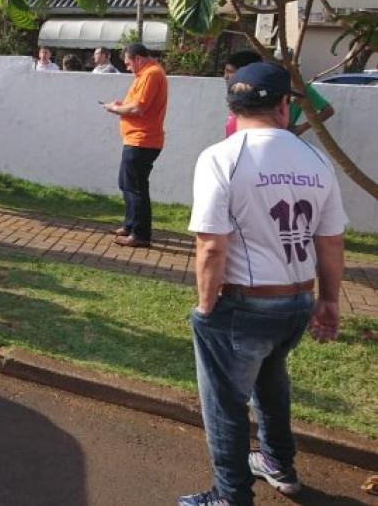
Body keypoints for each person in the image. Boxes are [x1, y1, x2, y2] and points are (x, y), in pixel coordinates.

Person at [179, 61, 346, 506]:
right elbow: (330, 243)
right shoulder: (315, 160)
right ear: (284, 106)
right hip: (295, 302)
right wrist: (328, 300)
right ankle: (277, 463)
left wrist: (205, 306)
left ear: (233, 105)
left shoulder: (221, 157)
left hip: (243, 304)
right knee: (271, 383)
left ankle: (230, 495)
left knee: (225, 403)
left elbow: (212, 246)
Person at [102, 42, 168, 248]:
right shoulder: (145, 75)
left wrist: (114, 109)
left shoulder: (151, 74)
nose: (128, 68)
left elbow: (139, 108)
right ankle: (130, 226)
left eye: (128, 63)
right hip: (136, 139)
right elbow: (137, 104)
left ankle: (140, 234)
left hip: (143, 140)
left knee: (136, 188)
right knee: (127, 184)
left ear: (138, 58)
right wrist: (122, 105)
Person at [223, 50, 263, 137]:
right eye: (225, 71)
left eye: (230, 72)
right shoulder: (238, 98)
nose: (225, 77)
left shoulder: (262, 97)